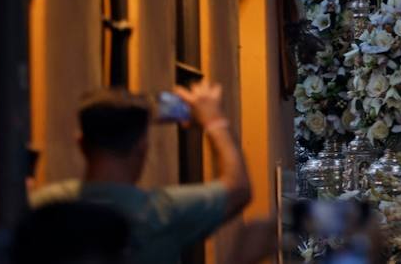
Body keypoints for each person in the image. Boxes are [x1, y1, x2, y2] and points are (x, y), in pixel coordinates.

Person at [29, 82, 250, 264]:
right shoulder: (162, 213)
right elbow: (238, 188)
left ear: (81, 143)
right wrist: (213, 120)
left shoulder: (44, 204)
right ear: (142, 147)